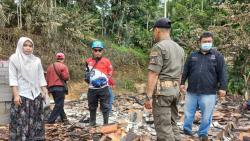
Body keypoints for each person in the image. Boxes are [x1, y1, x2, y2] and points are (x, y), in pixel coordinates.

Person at [180, 31, 227, 140]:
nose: (207, 43)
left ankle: (203, 133)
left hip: (209, 92)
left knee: (206, 115)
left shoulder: (218, 56)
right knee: (188, 113)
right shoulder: (193, 56)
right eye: (205, 41)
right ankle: (187, 130)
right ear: (199, 42)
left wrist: (223, 88)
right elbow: (186, 70)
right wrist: (182, 82)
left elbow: (223, 72)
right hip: (192, 91)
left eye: (209, 41)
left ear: (212, 42)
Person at [144, 18, 185, 141]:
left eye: (153, 32)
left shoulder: (159, 47)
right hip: (175, 91)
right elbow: (180, 74)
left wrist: (148, 97)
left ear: (157, 30)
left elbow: (154, 73)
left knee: (163, 128)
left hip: (162, 94)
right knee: (172, 123)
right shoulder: (180, 49)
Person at [9, 37, 48, 140]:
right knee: (22, 121)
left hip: (35, 96)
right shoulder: (14, 58)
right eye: (25, 45)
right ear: (20, 46)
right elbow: (13, 78)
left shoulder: (36, 60)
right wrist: (16, 95)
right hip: (22, 96)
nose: (28, 48)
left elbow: (40, 76)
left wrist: (44, 90)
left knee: (36, 121)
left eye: (30, 46)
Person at [85, 40, 113, 126]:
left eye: (99, 50)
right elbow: (86, 72)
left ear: (102, 51)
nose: (97, 52)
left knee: (105, 106)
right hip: (92, 89)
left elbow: (110, 71)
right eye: (95, 50)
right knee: (92, 106)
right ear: (92, 51)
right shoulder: (88, 61)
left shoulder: (106, 61)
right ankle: (92, 122)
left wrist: (105, 80)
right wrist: (87, 79)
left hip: (103, 88)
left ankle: (105, 123)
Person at [46, 53, 69, 124]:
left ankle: (64, 119)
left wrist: (47, 89)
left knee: (58, 103)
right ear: (63, 58)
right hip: (59, 87)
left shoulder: (50, 67)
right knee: (59, 104)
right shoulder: (63, 66)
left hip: (51, 88)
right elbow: (66, 77)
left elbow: (47, 78)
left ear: (56, 58)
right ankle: (51, 120)